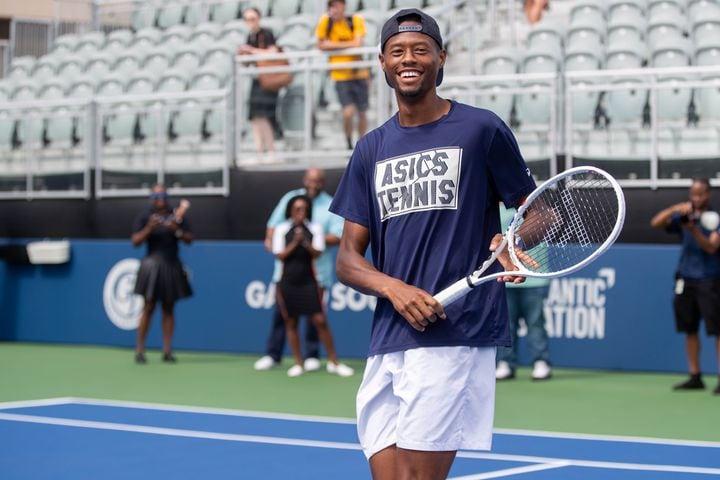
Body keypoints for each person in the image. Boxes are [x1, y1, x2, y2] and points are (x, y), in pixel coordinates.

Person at [329, 9, 536, 479]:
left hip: (455, 331)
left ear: (441, 59)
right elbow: (347, 260)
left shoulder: (480, 129)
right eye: (397, 51)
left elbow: (539, 211)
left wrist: (513, 240)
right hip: (389, 336)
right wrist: (394, 290)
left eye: (421, 50)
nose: (409, 59)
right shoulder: (370, 148)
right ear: (381, 62)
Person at [253, 167, 345, 372]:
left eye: (318, 181)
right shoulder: (291, 198)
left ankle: (312, 355)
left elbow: (339, 235)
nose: (314, 184)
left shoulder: (331, 203)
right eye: (310, 180)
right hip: (286, 272)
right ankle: (273, 355)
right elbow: (274, 225)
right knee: (283, 316)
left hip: (316, 273)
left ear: (323, 182)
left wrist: (312, 239)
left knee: (316, 318)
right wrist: (271, 239)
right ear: (304, 180)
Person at [650, 178, 720, 394]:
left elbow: (711, 247)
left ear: (708, 194)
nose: (696, 198)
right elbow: (656, 223)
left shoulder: (715, 219)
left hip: (710, 279)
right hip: (686, 279)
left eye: (700, 194)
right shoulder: (684, 215)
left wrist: (694, 230)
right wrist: (674, 209)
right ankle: (695, 376)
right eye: (693, 194)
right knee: (689, 329)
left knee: (718, 331)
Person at [272, 195, 354, 377]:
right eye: (297, 209)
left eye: (304, 209)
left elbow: (317, 253)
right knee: (291, 322)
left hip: (309, 281)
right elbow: (280, 255)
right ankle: (298, 364)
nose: (300, 212)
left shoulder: (315, 229)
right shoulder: (282, 229)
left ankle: (334, 362)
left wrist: (305, 241)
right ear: (290, 210)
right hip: (287, 282)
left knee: (320, 320)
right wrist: (295, 241)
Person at [131, 184, 193, 364]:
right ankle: (140, 350)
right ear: (151, 199)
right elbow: (135, 241)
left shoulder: (177, 215)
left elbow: (189, 239)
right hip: (152, 265)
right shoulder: (145, 216)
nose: (161, 199)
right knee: (148, 307)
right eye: (157, 196)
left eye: (164, 196)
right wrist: (149, 229)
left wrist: (177, 230)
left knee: (169, 308)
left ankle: (167, 351)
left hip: (171, 264)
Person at [495, 203, 552, 381]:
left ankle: (541, 362)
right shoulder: (493, 208)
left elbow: (551, 218)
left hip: (534, 278)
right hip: (505, 278)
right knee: (508, 325)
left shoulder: (537, 208)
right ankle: (506, 363)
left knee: (535, 322)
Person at [315, 0, 370, 150]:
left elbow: (357, 44)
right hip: (340, 75)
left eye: (337, 5)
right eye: (332, 6)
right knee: (348, 112)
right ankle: (348, 142)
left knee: (362, 111)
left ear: (343, 6)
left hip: (359, 72)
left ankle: (362, 144)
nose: (335, 9)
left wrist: (332, 45)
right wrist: (347, 45)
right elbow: (320, 45)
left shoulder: (355, 20)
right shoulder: (326, 22)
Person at [238, 7, 280, 156]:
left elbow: (273, 52)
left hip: (267, 80)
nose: (251, 22)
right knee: (255, 118)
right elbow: (248, 62)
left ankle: (271, 151)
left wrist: (251, 51)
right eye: (247, 20)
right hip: (257, 80)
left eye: (253, 19)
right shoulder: (250, 37)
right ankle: (260, 152)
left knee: (265, 117)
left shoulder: (266, 33)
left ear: (259, 18)